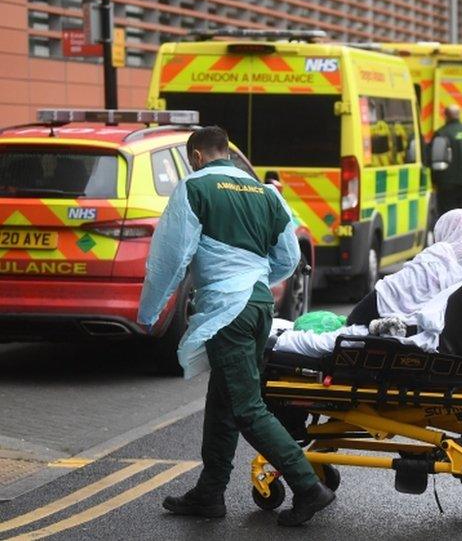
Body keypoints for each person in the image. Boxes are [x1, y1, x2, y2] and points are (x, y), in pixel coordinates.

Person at [137, 126, 334, 527]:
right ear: (226, 153)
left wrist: (149, 312)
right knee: (223, 403)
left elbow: (169, 258)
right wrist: (255, 279)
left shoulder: (194, 188)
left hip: (230, 310)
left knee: (246, 408)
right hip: (259, 305)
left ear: (196, 157)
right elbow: (288, 256)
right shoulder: (266, 193)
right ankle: (210, 493)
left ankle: (309, 487)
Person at [274, 209, 462, 357]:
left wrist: (352, 322)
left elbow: (383, 298)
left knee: (301, 337)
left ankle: (276, 340)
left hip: (405, 338)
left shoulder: (440, 259)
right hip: (447, 344)